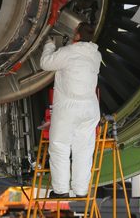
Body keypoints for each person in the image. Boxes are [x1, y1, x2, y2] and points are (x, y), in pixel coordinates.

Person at [40, 22, 101, 198]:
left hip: (69, 107)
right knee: (84, 149)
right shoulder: (95, 54)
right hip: (90, 108)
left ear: (77, 36)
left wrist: (50, 45)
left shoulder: (68, 53)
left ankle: (61, 190)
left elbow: (45, 63)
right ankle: (81, 191)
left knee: (60, 146)